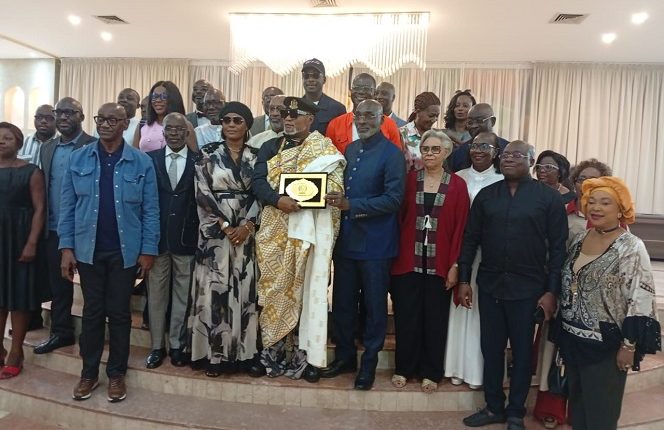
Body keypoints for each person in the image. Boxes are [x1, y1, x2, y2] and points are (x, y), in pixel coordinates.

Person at [458, 141, 568, 430]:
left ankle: (516, 411)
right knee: (491, 348)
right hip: (490, 284)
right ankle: (494, 406)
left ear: (531, 161)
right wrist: (464, 279)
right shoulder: (486, 196)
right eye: (505, 155)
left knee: (521, 352)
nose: (509, 159)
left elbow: (558, 249)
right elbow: (470, 240)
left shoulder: (548, 198)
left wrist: (551, 291)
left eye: (517, 155)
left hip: (529, 288)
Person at [60, 103, 159, 403]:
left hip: (125, 252)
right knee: (92, 312)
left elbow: (151, 210)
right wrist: (66, 247)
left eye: (112, 120)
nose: (104, 124)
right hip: (88, 250)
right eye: (100, 119)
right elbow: (67, 207)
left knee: (119, 313)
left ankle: (116, 374)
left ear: (125, 123)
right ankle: (88, 373)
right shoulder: (78, 158)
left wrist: (148, 249)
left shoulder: (141, 162)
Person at [251, 96, 345, 382]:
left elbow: (335, 184)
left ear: (310, 120)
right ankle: (271, 354)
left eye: (295, 115)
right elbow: (258, 182)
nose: (288, 119)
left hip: (309, 231)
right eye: (285, 115)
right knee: (273, 291)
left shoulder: (324, 149)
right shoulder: (270, 147)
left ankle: (307, 358)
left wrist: (324, 196)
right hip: (275, 229)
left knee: (307, 292)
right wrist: (277, 200)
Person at [556, 177, 661, 430]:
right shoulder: (580, 238)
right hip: (573, 340)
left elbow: (640, 297)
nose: (596, 207)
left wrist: (629, 345)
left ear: (620, 209)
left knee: (601, 414)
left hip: (607, 345)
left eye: (605, 203)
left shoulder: (631, 247)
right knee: (577, 411)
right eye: (592, 201)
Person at [320, 100, 405, 390]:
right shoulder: (351, 149)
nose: (364, 120)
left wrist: (351, 205)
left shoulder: (392, 154)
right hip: (347, 242)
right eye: (359, 115)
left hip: (376, 246)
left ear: (382, 119)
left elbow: (394, 200)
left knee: (374, 306)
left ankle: (369, 363)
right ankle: (344, 358)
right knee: (343, 304)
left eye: (370, 115)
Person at [390, 129, 468, 393]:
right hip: (407, 261)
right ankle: (404, 368)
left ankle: (431, 372)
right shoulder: (410, 180)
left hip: (440, 264)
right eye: (426, 149)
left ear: (446, 152)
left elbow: (461, 228)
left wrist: (455, 266)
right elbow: (399, 218)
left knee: (435, 320)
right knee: (406, 317)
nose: (430, 154)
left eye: (436, 149)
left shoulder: (457, 185)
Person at [187, 102, 261, 376]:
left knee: (246, 292)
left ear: (247, 125)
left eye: (237, 120)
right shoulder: (207, 154)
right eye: (226, 120)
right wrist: (226, 225)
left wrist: (248, 225)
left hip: (247, 233)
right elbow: (202, 193)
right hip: (215, 235)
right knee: (215, 292)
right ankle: (215, 356)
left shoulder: (258, 157)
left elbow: (262, 193)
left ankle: (244, 354)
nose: (230, 124)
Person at [33, 97, 97, 355]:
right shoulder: (48, 148)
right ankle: (61, 332)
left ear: (82, 116)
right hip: (54, 228)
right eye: (59, 112)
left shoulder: (94, 145)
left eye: (70, 112)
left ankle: (92, 336)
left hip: (87, 229)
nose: (63, 117)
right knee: (59, 285)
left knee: (92, 287)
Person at [444, 132, 503, 389]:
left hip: (488, 255)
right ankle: (455, 367)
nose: (478, 150)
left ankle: (476, 372)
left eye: (485, 146)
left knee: (480, 312)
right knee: (458, 309)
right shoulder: (458, 177)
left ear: (496, 152)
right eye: (474, 145)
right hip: (460, 250)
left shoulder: (502, 180)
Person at [144, 112, 199, 369]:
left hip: (187, 239)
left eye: (179, 129)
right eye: (170, 129)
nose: (174, 133)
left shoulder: (200, 161)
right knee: (156, 295)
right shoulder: (149, 160)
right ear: (163, 132)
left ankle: (177, 344)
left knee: (182, 295)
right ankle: (157, 346)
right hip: (156, 240)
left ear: (187, 133)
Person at [0, 122, 46, 379]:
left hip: (19, 239)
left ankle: (16, 351)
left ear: (19, 143)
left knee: (18, 296)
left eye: (7, 138)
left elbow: (40, 209)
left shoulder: (31, 171)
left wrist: (32, 242)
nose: (1, 141)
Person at [326, 73, 402, 154]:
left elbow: (396, 156)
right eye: (356, 88)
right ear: (351, 91)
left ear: (374, 93)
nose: (361, 91)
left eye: (366, 88)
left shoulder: (390, 124)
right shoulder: (335, 125)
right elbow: (327, 157)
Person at [448, 103, 509, 172]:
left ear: (492, 121)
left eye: (479, 121)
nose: (474, 126)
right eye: (470, 122)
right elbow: (450, 175)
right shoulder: (459, 152)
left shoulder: (508, 149)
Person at [134, 81, 193, 153]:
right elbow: (134, 155)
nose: (158, 100)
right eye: (154, 97)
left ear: (173, 99)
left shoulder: (186, 125)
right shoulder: (143, 124)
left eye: (163, 97)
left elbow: (193, 156)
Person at [567, 158, 613, 241]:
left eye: (592, 180)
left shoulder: (613, 216)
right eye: (581, 179)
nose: (585, 184)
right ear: (574, 183)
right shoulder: (562, 211)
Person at [301, 58, 346, 135]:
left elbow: (341, 138)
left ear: (324, 79)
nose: (310, 79)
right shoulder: (295, 106)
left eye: (315, 75)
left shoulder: (337, 109)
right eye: (306, 76)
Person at [400, 92, 441, 171]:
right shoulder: (402, 134)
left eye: (437, 116)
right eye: (431, 115)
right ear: (417, 111)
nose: (434, 119)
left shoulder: (437, 136)